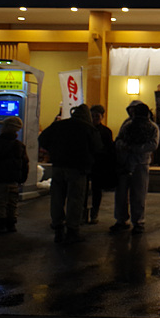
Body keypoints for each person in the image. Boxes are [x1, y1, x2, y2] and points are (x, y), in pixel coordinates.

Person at [38, 104, 102, 244]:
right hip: (78, 168)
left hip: (58, 166)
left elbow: (42, 139)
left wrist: (53, 151)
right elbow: (98, 148)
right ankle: (72, 230)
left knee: (57, 197)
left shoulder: (59, 125)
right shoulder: (89, 129)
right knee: (75, 198)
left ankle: (57, 227)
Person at [110, 100, 160, 235]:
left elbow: (153, 145)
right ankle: (122, 220)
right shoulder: (128, 125)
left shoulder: (151, 127)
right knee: (121, 194)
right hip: (125, 163)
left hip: (140, 164)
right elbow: (119, 140)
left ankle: (138, 221)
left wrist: (133, 148)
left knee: (138, 194)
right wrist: (124, 147)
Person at [85, 105, 116, 225]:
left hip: (99, 164)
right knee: (83, 190)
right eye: (92, 116)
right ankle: (83, 213)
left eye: (97, 116)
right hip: (87, 163)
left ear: (102, 117)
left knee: (96, 190)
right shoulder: (86, 129)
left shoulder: (106, 131)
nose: (94, 118)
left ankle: (94, 213)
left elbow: (109, 149)